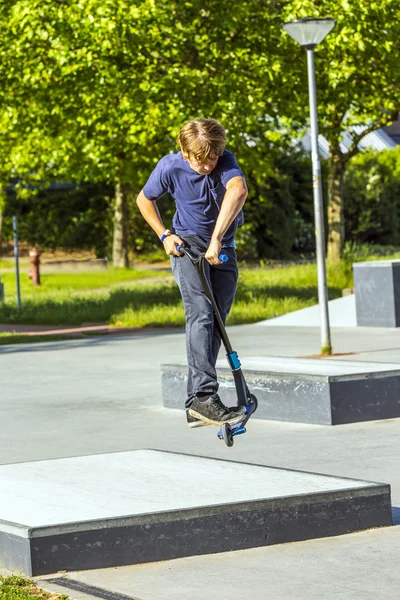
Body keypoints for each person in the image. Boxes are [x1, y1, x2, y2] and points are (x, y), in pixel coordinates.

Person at [136, 118, 247, 428]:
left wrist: (217, 240)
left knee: (217, 322)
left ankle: (197, 404)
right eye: (200, 158)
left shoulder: (225, 161)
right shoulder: (170, 167)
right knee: (200, 314)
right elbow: (144, 199)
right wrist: (164, 235)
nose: (208, 164)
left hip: (222, 248)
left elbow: (237, 190)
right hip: (187, 248)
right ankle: (202, 397)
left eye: (213, 157)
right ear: (184, 152)